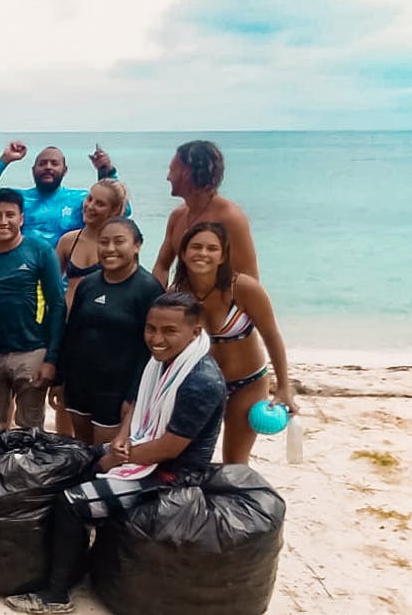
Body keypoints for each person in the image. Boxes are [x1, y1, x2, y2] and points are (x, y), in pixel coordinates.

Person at [8, 292, 226, 615]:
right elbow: (137, 408)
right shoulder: (162, 363)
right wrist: (120, 440)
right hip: (140, 448)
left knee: (71, 502)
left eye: (169, 331)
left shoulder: (201, 381)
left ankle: (56, 595)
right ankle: (69, 560)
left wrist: (116, 459)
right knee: (73, 462)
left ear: (195, 332)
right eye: (151, 329)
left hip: (172, 474)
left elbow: (170, 447)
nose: (156, 339)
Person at [172, 221, 298, 463]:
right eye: (196, 247)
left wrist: (284, 386)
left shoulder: (244, 288)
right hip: (199, 385)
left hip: (247, 383)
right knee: (191, 460)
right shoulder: (175, 295)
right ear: (184, 253)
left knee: (235, 461)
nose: (203, 253)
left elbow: (272, 336)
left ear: (222, 256)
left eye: (212, 248)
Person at [53, 217, 164, 445]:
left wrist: (135, 396)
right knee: (82, 449)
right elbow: (72, 334)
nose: (110, 248)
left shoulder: (148, 289)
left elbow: (150, 350)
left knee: (105, 455)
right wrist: (59, 379)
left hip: (117, 391)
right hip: (80, 384)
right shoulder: (88, 284)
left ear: (137, 245)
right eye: (104, 242)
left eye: (119, 241)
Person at [0, 188, 66, 431]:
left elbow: (57, 305)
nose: (3, 221)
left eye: (10, 215)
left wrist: (51, 359)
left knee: (30, 428)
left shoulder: (40, 251)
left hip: (32, 352)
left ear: (21, 218)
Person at [151, 140, 260, 286]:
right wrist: (158, 297)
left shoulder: (230, 218)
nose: (168, 177)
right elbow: (162, 267)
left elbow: (249, 280)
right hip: (182, 298)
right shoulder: (177, 216)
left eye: (172, 170)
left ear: (187, 174)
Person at [0, 141, 121, 248]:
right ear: (33, 170)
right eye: (42, 163)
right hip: (27, 269)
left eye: (54, 163)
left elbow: (120, 210)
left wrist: (107, 171)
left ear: (65, 170)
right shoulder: (19, 199)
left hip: (69, 270)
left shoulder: (81, 200)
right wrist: (5, 159)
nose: (48, 167)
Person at [54, 179, 130, 309]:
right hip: (67, 317)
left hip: (103, 317)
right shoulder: (68, 241)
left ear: (114, 210)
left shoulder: (118, 248)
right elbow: (50, 284)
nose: (90, 206)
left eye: (100, 204)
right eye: (89, 199)